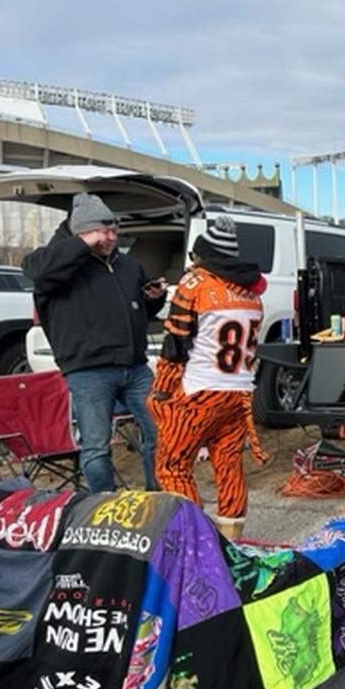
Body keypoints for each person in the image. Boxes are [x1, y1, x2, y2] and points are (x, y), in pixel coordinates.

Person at [22, 192, 166, 492]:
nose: (112, 238)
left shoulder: (127, 265)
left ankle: (158, 498)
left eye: (114, 231)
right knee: (97, 446)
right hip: (89, 370)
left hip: (135, 367)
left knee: (162, 430)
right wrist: (82, 245)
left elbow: (137, 310)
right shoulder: (56, 264)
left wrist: (153, 298)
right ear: (82, 232)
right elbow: (35, 271)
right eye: (103, 232)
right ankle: (104, 506)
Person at [148, 216, 268, 541]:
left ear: (202, 257)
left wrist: (161, 391)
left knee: (172, 466)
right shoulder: (252, 294)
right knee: (228, 466)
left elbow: (174, 343)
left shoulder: (195, 284)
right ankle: (231, 540)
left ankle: (196, 541)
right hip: (239, 394)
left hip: (201, 391)